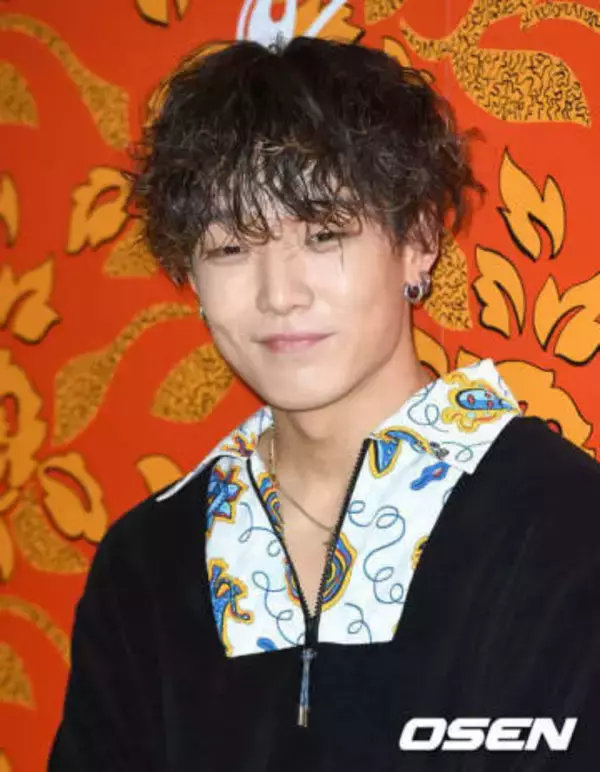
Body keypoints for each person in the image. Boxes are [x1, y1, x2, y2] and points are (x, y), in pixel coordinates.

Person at [49, 36, 600, 771]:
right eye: (231, 247)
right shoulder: (147, 561)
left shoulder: (563, 523)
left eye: (323, 234)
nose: (279, 294)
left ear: (417, 242)